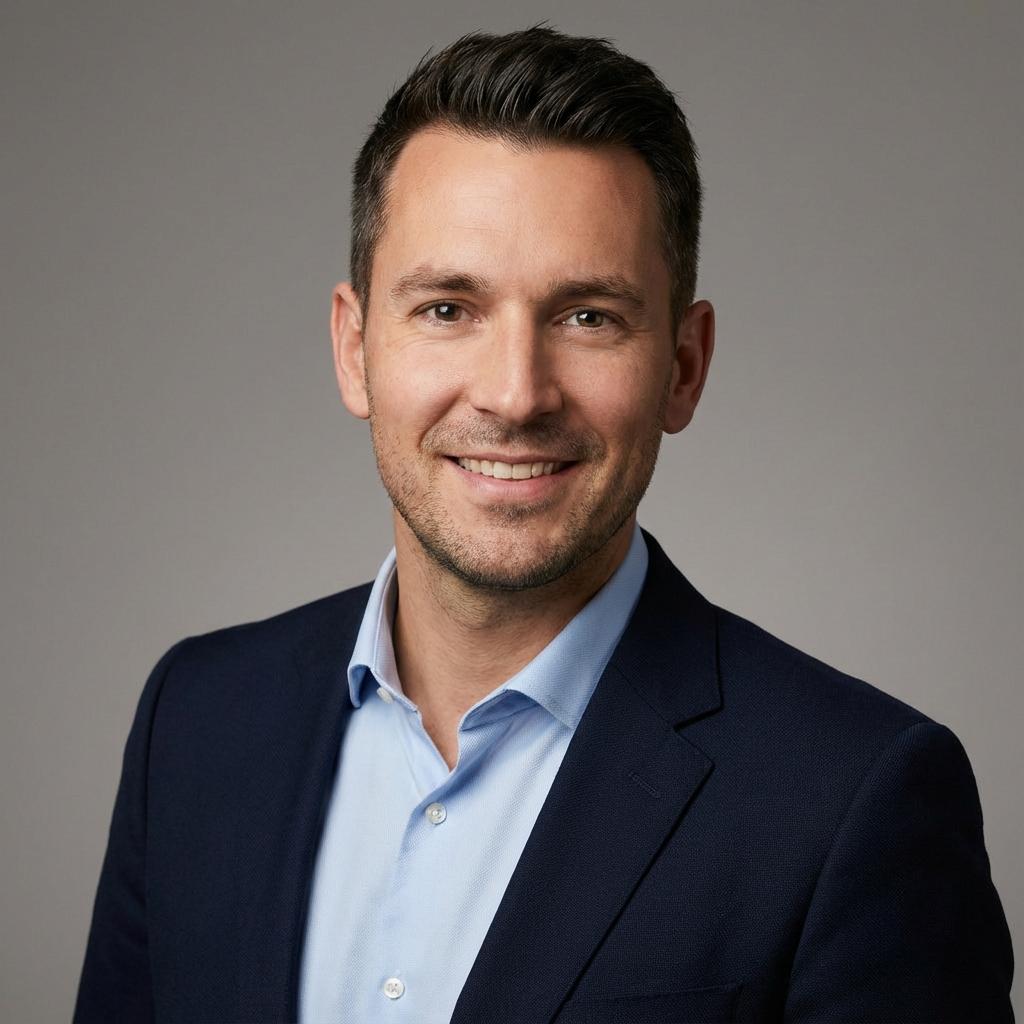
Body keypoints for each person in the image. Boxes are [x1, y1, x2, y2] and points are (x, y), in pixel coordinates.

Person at [74, 24, 1014, 1024]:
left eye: (588, 316)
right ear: (354, 349)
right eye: (448, 308)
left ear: (683, 367)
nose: (516, 395)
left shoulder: (852, 798)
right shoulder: (196, 720)